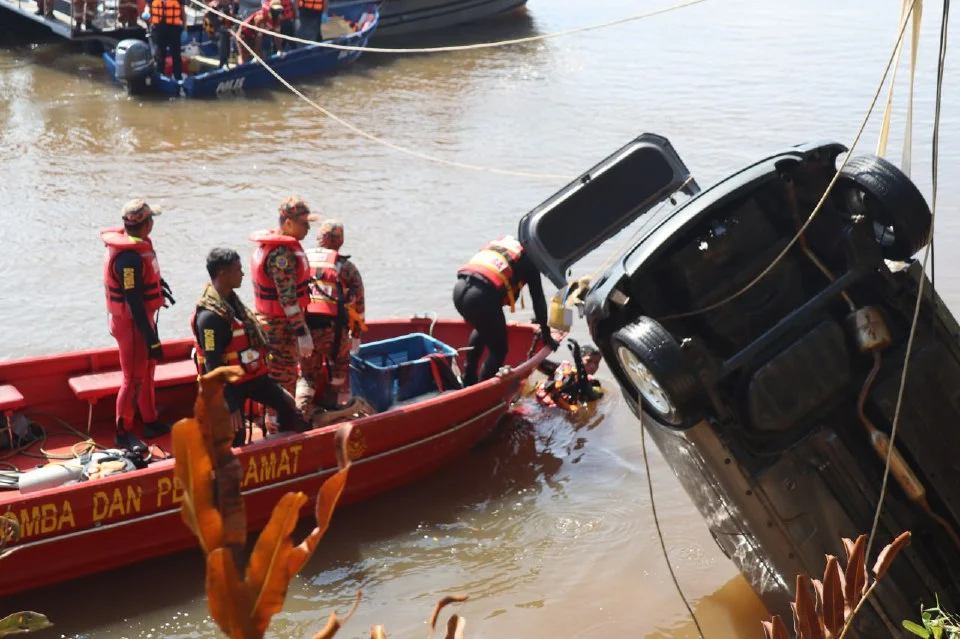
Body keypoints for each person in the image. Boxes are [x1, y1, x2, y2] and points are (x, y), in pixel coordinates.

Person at [192, 248, 310, 445]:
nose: (243, 274)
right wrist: (229, 404)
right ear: (223, 273)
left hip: (253, 377)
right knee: (235, 430)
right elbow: (212, 364)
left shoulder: (233, 304)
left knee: (289, 406)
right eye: (237, 270)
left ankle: (285, 447)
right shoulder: (209, 318)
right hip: (228, 386)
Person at [100, 199, 175, 452]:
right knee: (132, 377)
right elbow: (132, 301)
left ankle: (150, 420)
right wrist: (150, 338)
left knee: (148, 370)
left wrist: (159, 285)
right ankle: (123, 432)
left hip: (142, 321)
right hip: (132, 325)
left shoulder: (136, 249)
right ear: (146, 224)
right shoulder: (128, 259)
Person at [249, 195, 318, 433]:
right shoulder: (282, 255)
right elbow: (287, 299)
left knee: (281, 374)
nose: (308, 228)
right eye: (304, 223)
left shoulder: (280, 248)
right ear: (288, 224)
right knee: (283, 375)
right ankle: (277, 427)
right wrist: (302, 332)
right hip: (279, 326)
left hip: (275, 322)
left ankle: (274, 419)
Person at [454, 235, 559, 386]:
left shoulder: (505, 245)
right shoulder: (530, 259)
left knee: (482, 327)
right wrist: (547, 335)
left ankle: (468, 380)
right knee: (499, 350)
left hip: (459, 291)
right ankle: (480, 393)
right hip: (481, 297)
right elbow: (538, 300)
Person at [296, 220, 366, 423]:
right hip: (332, 332)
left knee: (307, 375)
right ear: (340, 242)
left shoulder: (303, 260)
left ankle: (301, 411)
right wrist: (356, 335)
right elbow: (358, 302)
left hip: (304, 329)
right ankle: (332, 403)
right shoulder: (345, 266)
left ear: (319, 239)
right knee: (340, 365)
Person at [534, 339, 603, 412]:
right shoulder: (563, 369)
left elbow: (589, 393)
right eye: (589, 361)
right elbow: (537, 362)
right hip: (537, 406)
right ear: (579, 356)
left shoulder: (595, 384)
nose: (593, 366)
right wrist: (549, 343)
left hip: (560, 415)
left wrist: (579, 364)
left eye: (596, 363)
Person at [149, 0, 185, 81]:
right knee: (160, 54)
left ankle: (178, 77)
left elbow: (182, 11)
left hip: (174, 28)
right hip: (159, 27)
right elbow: (149, 8)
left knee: (176, 54)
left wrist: (185, 29)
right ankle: (160, 75)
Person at [203, 0, 239, 68]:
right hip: (214, 32)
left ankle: (236, 57)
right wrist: (227, 29)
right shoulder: (213, 8)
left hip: (227, 30)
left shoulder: (231, 5)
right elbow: (215, 25)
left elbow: (234, 18)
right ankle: (223, 63)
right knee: (223, 36)